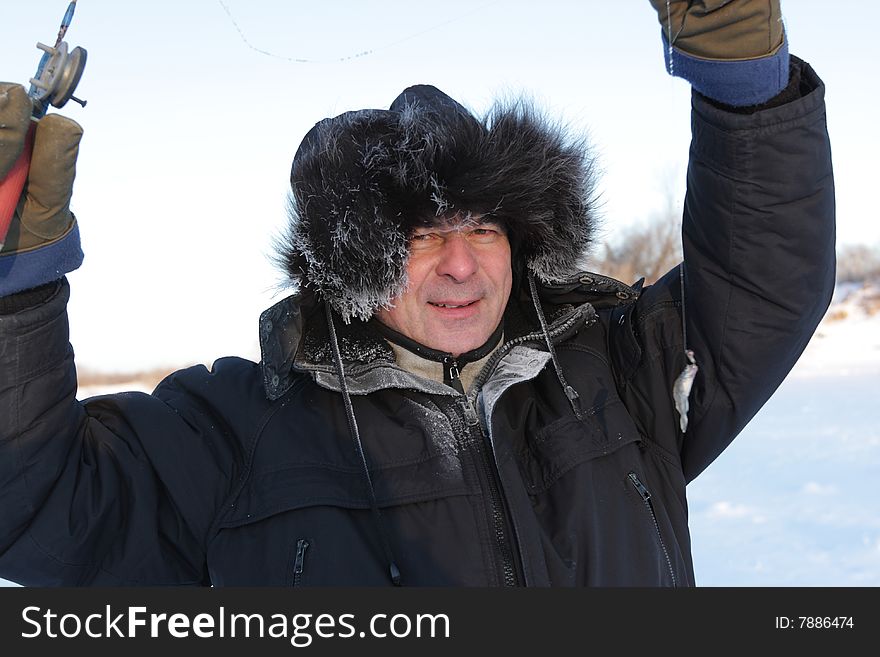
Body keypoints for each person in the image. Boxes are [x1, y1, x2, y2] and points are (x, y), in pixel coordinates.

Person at [0, 1, 834, 586]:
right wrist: (16, 293)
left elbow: (762, 287)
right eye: (424, 237)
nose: (463, 266)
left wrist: (742, 86)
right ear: (357, 264)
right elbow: (37, 508)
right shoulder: (240, 430)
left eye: (484, 229)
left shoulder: (616, 373)